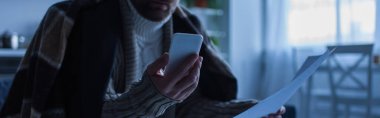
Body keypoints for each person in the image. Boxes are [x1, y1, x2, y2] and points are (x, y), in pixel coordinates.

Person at [0, 0, 285, 117]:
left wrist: (245, 112)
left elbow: (187, 109)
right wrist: (153, 95)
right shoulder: (76, 22)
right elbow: (91, 111)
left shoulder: (189, 26)